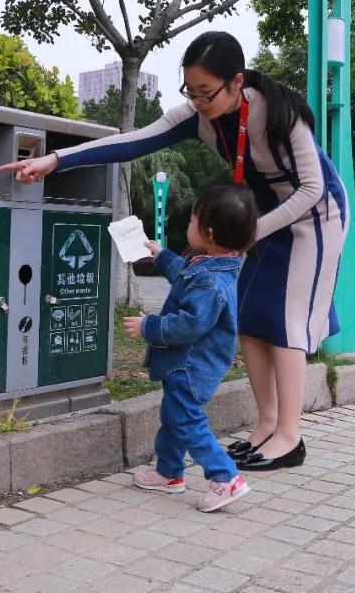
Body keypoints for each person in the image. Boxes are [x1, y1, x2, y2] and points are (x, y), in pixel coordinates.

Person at [0, 31, 349, 471]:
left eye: (207, 92)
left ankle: (290, 439)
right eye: (191, 91)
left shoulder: (280, 114)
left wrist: (251, 232)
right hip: (255, 218)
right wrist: (56, 160)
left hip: (315, 215)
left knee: (287, 320)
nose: (197, 101)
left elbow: (313, 188)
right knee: (252, 317)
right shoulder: (197, 116)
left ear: (237, 82)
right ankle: (266, 427)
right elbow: (133, 141)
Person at [122, 185, 257, 512]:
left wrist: (149, 326)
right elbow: (183, 274)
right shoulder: (213, 263)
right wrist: (160, 254)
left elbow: (189, 324)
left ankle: (226, 477)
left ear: (208, 232)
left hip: (190, 366)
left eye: (192, 220)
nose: (188, 224)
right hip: (186, 364)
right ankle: (169, 472)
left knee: (186, 421)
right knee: (174, 416)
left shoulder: (211, 282)